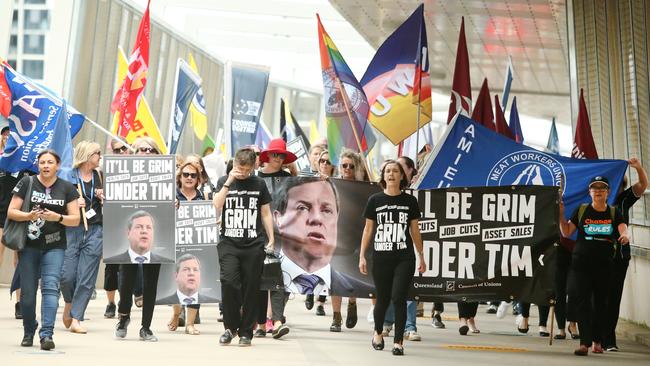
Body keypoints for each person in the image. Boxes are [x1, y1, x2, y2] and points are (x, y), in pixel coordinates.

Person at [8, 149, 80, 350]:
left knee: (50, 289)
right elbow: (11, 212)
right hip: (29, 246)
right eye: (42, 162)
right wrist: (29, 215)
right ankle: (29, 330)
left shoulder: (67, 188)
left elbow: (75, 219)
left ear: (57, 165)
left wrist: (57, 217)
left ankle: (46, 334)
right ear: (37, 165)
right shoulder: (27, 183)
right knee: (28, 294)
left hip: (55, 245)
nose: (46, 166)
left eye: (50, 162)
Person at [359, 160, 426, 356]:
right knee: (383, 298)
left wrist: (421, 256)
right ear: (383, 176)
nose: (391, 174)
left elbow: (415, 230)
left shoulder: (410, 201)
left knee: (399, 298)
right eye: (387, 171)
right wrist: (362, 255)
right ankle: (378, 332)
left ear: (401, 176)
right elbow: (368, 229)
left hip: (404, 257)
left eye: (395, 171)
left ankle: (398, 342)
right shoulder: (375, 200)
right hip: (381, 257)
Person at [559, 176, 629, 356]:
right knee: (582, 301)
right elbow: (566, 232)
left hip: (604, 265)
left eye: (602, 188)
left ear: (608, 192)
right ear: (589, 192)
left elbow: (622, 228)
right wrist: (560, 214)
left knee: (600, 303)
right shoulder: (582, 210)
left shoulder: (613, 213)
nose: (598, 191)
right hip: (581, 264)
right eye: (594, 188)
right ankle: (584, 343)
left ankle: (598, 341)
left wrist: (625, 236)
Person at [213, 148, 274, 346]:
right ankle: (230, 328)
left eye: (248, 169)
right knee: (229, 282)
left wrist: (270, 238)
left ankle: (247, 331)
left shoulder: (259, 183)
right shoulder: (224, 181)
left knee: (251, 288)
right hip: (229, 242)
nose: (244, 173)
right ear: (235, 163)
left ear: (254, 166)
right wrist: (230, 181)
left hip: (253, 243)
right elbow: (217, 204)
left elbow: (265, 212)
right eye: (241, 168)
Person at [273, 177, 374, 297]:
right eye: (303, 208)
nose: (317, 218)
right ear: (278, 219)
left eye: (326, 210)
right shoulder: (262, 278)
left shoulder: (363, 290)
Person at [114, 137, 164, 342]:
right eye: (140, 149)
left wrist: (175, 203)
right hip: (132, 236)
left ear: (156, 153)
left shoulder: (164, 175)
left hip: (155, 235)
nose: (144, 152)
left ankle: (146, 327)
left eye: (148, 149)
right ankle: (124, 314)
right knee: (126, 282)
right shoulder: (125, 174)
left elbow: (171, 198)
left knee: (151, 283)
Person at [60, 141, 105, 334]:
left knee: (87, 276)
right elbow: (56, 202)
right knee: (67, 275)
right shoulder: (67, 176)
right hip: (72, 229)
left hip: (95, 229)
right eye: (97, 153)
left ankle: (77, 317)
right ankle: (69, 303)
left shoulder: (100, 176)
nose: (100, 156)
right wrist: (70, 202)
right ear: (87, 155)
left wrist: (105, 196)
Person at [165, 161, 214, 335]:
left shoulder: (205, 197)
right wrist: (170, 209)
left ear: (198, 179)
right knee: (177, 283)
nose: (189, 178)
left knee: (195, 285)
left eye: (193, 175)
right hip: (176, 244)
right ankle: (177, 313)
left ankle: (190, 323)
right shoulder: (172, 196)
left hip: (197, 245)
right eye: (186, 174)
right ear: (180, 177)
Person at [603, 158, 647, 351]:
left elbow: (643, 185)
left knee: (613, 297)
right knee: (598, 297)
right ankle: (596, 335)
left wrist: (637, 168)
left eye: (619, 184)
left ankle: (609, 339)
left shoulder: (624, 199)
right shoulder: (595, 201)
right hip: (596, 256)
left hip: (619, 256)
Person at [254, 138, 296, 339]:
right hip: (257, 234)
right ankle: (262, 322)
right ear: (268, 156)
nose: (278, 158)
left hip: (283, 235)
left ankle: (277, 320)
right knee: (261, 280)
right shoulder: (256, 178)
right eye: (275, 154)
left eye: (282, 155)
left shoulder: (288, 178)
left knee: (278, 279)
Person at [329, 149, 365, 332]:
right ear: (339, 167)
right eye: (344, 165)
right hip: (336, 236)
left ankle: (352, 302)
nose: (348, 169)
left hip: (356, 236)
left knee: (353, 276)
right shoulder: (332, 185)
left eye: (352, 166)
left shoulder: (363, 187)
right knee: (336, 278)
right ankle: (336, 317)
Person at [103, 139, 131, 319]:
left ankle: (124, 301)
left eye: (124, 149)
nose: (121, 152)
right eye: (117, 150)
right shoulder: (106, 171)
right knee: (112, 266)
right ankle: (111, 303)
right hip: (113, 222)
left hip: (132, 224)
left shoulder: (137, 168)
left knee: (128, 266)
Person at [103, 210, 174, 264]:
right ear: (128, 233)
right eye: (139, 227)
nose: (144, 231)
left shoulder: (168, 263)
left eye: (148, 227)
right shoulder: (111, 262)